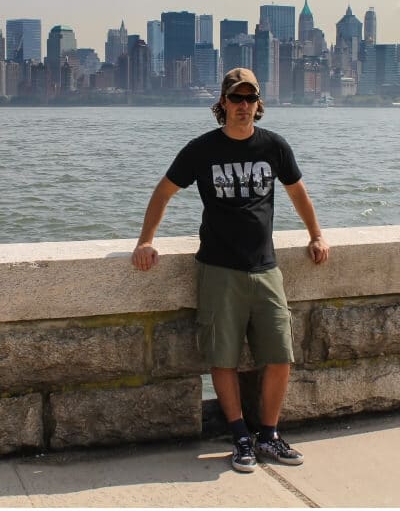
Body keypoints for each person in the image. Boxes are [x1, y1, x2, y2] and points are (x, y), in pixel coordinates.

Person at [132, 67, 329, 473]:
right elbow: (164, 191)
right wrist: (146, 240)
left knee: (280, 356)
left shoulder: (274, 147)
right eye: (235, 99)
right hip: (218, 269)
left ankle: (269, 435)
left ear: (259, 104)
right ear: (222, 103)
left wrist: (316, 235)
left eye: (249, 99)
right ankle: (240, 435)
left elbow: (298, 193)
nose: (243, 106)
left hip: (266, 267)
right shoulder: (201, 150)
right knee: (222, 358)